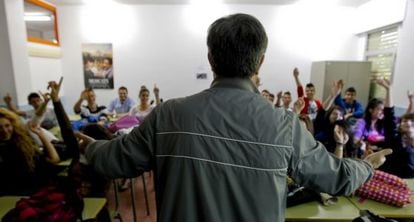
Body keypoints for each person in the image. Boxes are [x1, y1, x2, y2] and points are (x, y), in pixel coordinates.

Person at [77, 14, 391, 222]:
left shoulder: (170, 114)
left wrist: (91, 147)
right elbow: (336, 178)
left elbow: (114, 161)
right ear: (261, 62)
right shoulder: (283, 125)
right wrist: (366, 165)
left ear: (210, 57)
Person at [0, 108, 60, 196]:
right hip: (13, 195)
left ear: (13, 125)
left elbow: (54, 159)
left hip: (38, 191)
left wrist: (41, 135)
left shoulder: (22, 143)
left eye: (7, 125)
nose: (5, 131)